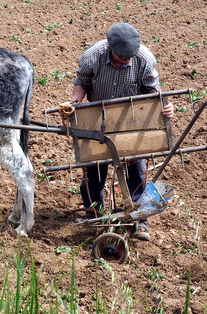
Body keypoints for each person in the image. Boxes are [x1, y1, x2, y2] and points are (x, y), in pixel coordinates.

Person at [66, 22, 173, 241]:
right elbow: (82, 82)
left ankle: (140, 221)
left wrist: (166, 106)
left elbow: (153, 91)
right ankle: (94, 212)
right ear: (109, 48)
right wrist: (75, 101)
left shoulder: (144, 59)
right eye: (122, 56)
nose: (127, 60)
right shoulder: (92, 56)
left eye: (130, 57)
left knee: (137, 170)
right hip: (99, 120)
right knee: (93, 171)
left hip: (132, 119)